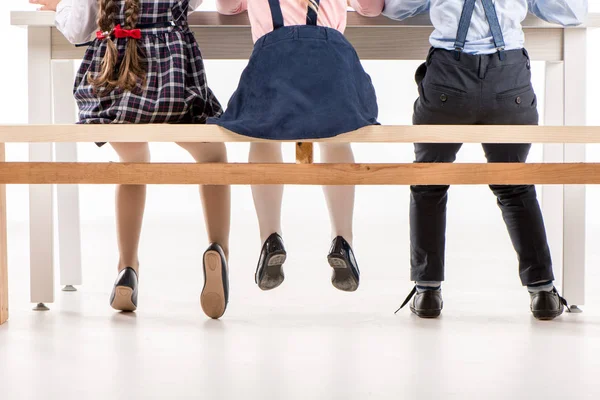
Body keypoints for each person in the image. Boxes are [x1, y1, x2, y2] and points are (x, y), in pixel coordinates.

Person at [378, 0, 588, 320]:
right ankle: (542, 290)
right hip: (509, 81)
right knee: (515, 184)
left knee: (429, 181)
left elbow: (394, 9)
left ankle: (427, 290)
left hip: (448, 78)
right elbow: (572, 14)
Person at [31, 0, 230, 319]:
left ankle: (127, 267)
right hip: (173, 94)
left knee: (133, 168)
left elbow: (77, 30)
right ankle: (219, 248)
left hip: (118, 99)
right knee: (213, 156)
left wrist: (61, 6)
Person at [210, 0, 382, 292]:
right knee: (338, 133)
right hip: (331, 63)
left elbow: (227, 7)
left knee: (262, 132)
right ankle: (343, 239)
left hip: (273, 61)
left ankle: (270, 236)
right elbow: (371, 8)